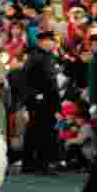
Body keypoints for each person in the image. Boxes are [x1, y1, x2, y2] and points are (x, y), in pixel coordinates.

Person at [21, 31, 61, 174]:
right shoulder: (37, 57)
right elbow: (28, 80)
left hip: (43, 100)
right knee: (41, 133)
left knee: (35, 132)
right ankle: (40, 164)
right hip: (41, 101)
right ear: (42, 42)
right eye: (50, 40)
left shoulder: (42, 56)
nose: (52, 43)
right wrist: (34, 96)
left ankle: (32, 164)